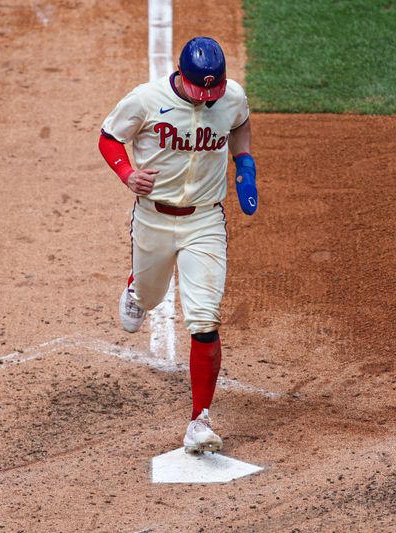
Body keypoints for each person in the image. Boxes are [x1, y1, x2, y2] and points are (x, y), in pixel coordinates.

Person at [97, 37, 258, 453]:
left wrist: (245, 163)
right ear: (180, 77)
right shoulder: (146, 100)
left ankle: (199, 420)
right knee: (149, 299)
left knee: (204, 319)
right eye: (197, 91)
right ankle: (137, 286)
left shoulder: (231, 97)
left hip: (205, 220)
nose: (206, 100)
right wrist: (127, 174)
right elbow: (109, 137)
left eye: (213, 92)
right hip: (152, 217)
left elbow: (240, 123)